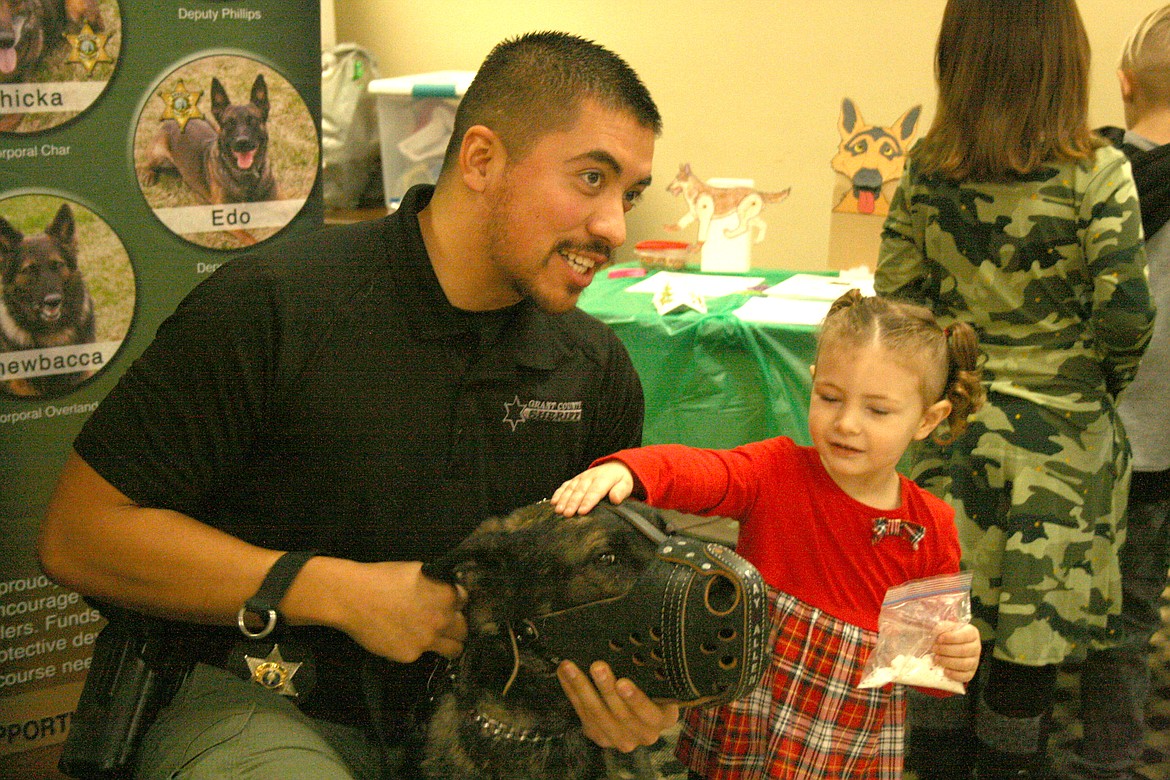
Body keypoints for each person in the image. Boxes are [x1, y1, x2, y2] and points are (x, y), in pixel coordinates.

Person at [37, 31, 679, 779]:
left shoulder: (594, 370)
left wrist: (635, 695)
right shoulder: (277, 305)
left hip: (485, 722)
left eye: (628, 194)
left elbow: (601, 591)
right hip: (264, 698)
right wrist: (345, 594)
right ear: (481, 160)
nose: (615, 229)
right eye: (592, 179)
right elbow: (78, 537)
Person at [873, 1, 1156, 778]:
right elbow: (1128, 317)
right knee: (1028, 661)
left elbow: (896, 304)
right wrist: (1078, 385)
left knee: (934, 648)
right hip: (1061, 460)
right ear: (1067, 62)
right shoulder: (1098, 172)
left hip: (944, 443)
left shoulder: (928, 170)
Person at [553, 291, 986, 779]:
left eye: (878, 411)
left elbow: (923, 671)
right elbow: (706, 469)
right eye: (829, 397)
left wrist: (954, 655)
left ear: (927, 419)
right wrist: (630, 469)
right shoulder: (776, 471)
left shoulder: (932, 526)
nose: (846, 423)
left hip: (846, 743)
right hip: (744, 720)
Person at [1060, 7, 1170, 780]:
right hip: (1165, 447)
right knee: (1133, 622)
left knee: (1044, 609)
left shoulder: (1088, 175)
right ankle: (1113, 760)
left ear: (1125, 85)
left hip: (1085, 439)